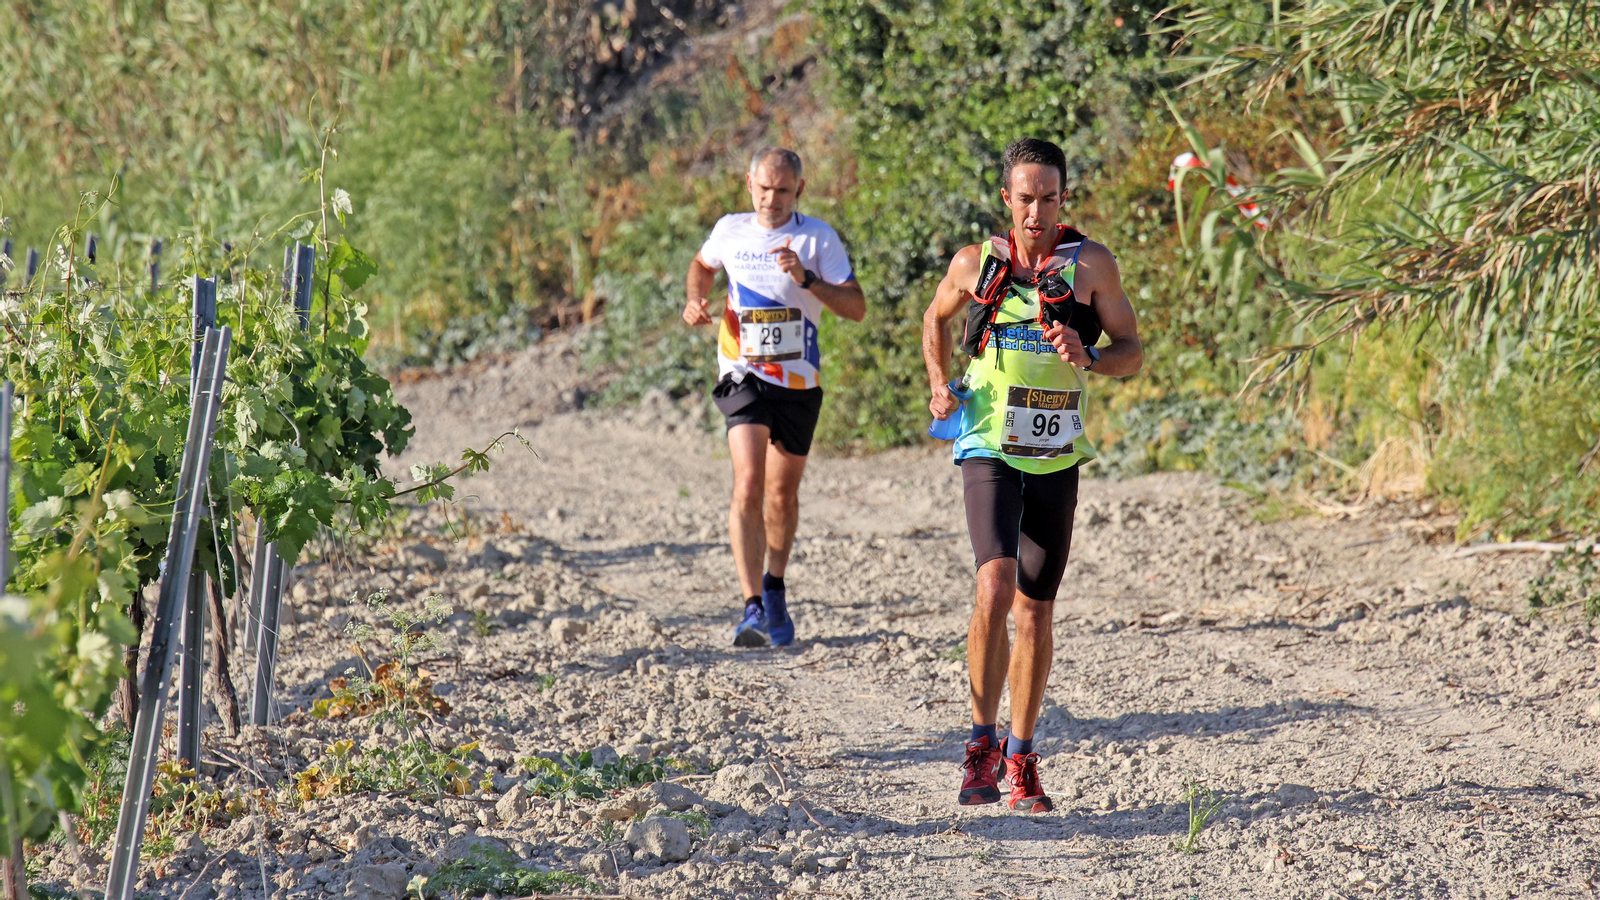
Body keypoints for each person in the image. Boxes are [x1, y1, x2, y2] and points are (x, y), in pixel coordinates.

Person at [922, 138, 1143, 812]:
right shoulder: (975, 262)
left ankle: (1021, 757)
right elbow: (934, 318)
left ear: (1063, 198)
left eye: (1049, 198)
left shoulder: (1091, 265)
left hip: (1053, 455)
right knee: (995, 585)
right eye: (1026, 198)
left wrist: (1091, 356)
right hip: (988, 443)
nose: (1037, 211)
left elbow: (1131, 352)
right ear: (1007, 199)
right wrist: (938, 383)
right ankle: (979, 746)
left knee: (1036, 610)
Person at [683, 148, 865, 647]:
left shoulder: (817, 238)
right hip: (742, 374)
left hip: (799, 383)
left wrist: (806, 278)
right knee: (748, 485)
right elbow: (701, 266)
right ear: (748, 184)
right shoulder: (730, 229)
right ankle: (751, 607)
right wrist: (694, 299)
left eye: (783, 190)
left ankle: (775, 585)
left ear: (799, 190)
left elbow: (856, 307)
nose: (771, 199)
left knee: (782, 496)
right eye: (763, 188)